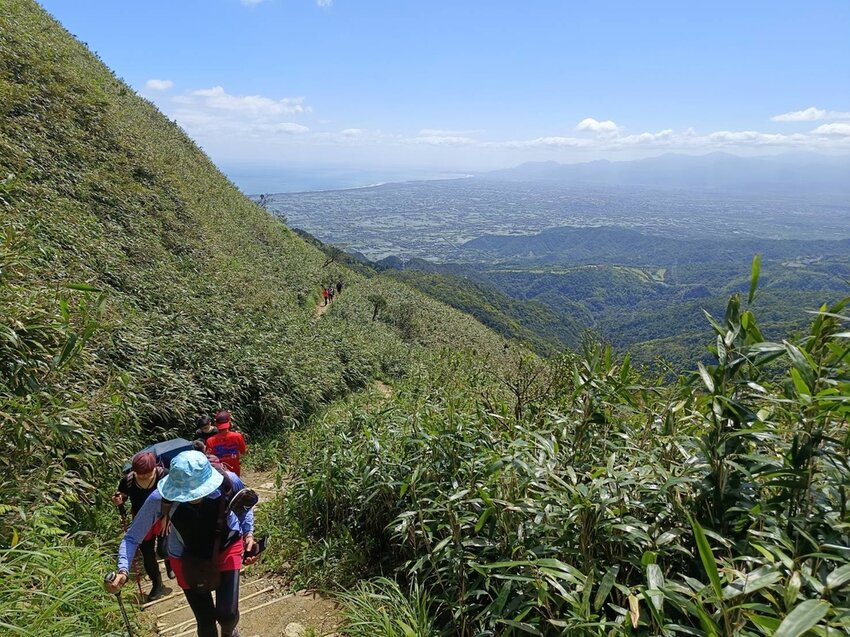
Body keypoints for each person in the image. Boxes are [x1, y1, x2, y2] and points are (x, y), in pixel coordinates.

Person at [106, 451, 259, 637]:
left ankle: (230, 632)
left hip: (227, 546)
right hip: (186, 557)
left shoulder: (228, 480)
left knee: (228, 614)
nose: (192, 497)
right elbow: (132, 537)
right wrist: (123, 570)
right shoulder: (160, 498)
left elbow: (245, 505)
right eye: (185, 493)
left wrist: (248, 534)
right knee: (206, 622)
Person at [111, 451, 172, 600]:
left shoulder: (164, 475)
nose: (143, 476)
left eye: (146, 473)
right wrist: (119, 499)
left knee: (163, 550)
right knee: (147, 554)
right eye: (140, 473)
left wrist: (167, 516)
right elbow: (123, 494)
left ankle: (169, 561)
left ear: (154, 467)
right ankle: (157, 583)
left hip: (163, 517)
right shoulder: (129, 480)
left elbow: (172, 497)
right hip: (141, 518)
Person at [205, 410, 247, 476]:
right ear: (229, 422)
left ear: (216, 424)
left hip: (219, 474)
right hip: (235, 472)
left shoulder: (210, 441)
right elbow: (243, 451)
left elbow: (210, 460)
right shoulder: (238, 436)